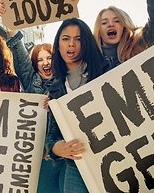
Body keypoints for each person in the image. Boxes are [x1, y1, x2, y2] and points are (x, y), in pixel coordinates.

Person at [0, 0, 80, 193]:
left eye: (49, 58)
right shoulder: (31, 80)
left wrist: (71, 9)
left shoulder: (70, 81)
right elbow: (17, 46)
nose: (45, 63)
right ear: (34, 65)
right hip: (41, 159)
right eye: (40, 60)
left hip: (71, 157)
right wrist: (9, 23)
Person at [45, 18, 106, 193]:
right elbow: (52, 135)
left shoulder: (107, 70)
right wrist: (56, 148)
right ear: (57, 45)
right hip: (76, 165)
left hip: (113, 157)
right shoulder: (54, 89)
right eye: (65, 39)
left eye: (78, 39)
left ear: (86, 43)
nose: (71, 44)